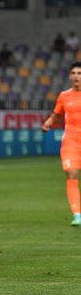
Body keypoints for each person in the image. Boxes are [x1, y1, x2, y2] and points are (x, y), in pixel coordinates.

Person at [41, 61, 81, 226]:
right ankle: (77, 214)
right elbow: (57, 114)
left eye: (79, 73)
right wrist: (49, 122)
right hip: (71, 141)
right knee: (71, 174)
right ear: (70, 76)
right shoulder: (64, 96)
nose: (76, 76)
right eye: (74, 73)